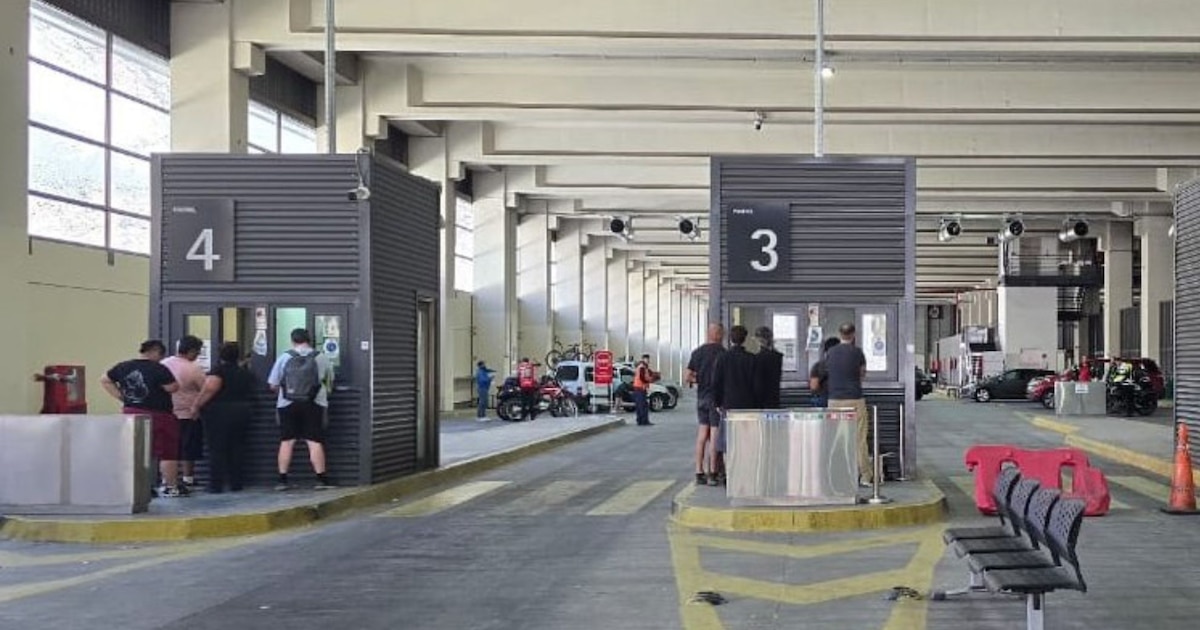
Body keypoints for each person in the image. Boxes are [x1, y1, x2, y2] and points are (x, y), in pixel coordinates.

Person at [100, 340, 184, 497]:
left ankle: (136, 487)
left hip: (131, 412)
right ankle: (171, 487)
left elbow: (105, 380)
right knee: (167, 452)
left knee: (136, 451)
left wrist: (122, 396)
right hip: (159, 414)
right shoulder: (158, 368)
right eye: (161, 355)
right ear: (156, 351)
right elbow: (172, 387)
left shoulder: (123, 366)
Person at [268, 328, 336, 491]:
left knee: (287, 441)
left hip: (287, 404)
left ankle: (282, 480)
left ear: (292, 340)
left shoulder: (284, 357)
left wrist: (286, 393)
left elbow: (272, 384)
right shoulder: (321, 357)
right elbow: (330, 382)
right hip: (314, 403)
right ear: (309, 339)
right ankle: (321, 480)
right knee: (314, 441)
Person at [190, 342, 256, 493]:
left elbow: (210, 389)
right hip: (242, 411)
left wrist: (196, 405)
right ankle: (236, 483)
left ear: (220, 355)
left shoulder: (218, 371)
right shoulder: (244, 372)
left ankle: (216, 484)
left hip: (219, 412)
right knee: (237, 447)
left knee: (217, 448)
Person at [824, 323, 873, 486]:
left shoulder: (830, 353)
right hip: (854, 399)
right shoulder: (858, 352)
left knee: (835, 438)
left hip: (834, 400)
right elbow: (862, 374)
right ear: (853, 334)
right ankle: (864, 476)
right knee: (859, 439)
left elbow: (827, 372)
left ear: (840, 334)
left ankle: (835, 475)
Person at [712, 325, 758, 486]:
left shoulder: (722, 358)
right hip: (748, 406)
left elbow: (716, 383)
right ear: (744, 339)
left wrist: (717, 403)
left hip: (728, 405)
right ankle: (745, 473)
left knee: (728, 442)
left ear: (730, 339)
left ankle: (729, 475)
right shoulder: (752, 359)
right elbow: (757, 386)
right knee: (746, 441)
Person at [161, 335, 207, 492]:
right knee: (189, 448)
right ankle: (188, 478)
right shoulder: (193, 368)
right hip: (189, 413)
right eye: (198, 352)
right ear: (192, 351)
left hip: (167, 413)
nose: (198, 355)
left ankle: (167, 479)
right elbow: (204, 389)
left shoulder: (164, 364)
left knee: (168, 448)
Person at [686, 323, 726, 486]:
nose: (723, 336)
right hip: (716, 399)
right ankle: (712, 472)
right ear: (718, 334)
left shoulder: (697, 352)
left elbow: (688, 376)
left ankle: (698, 471)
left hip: (701, 398)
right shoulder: (723, 353)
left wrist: (700, 380)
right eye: (722, 333)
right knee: (715, 436)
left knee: (702, 436)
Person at [752, 326, 783, 409]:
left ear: (759, 340)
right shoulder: (778, 357)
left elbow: (758, 383)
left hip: (761, 401)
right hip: (774, 398)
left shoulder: (757, 358)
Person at [808, 337, 842, 407]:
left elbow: (814, 387)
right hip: (843, 399)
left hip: (824, 399)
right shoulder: (846, 365)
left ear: (826, 351)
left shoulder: (819, 366)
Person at [632, 354, 655, 426]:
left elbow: (650, 374)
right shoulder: (642, 367)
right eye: (646, 359)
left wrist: (653, 376)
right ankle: (644, 421)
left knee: (640, 405)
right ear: (643, 359)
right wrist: (650, 380)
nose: (648, 360)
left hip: (639, 388)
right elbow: (643, 378)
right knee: (643, 405)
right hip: (640, 388)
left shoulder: (644, 367)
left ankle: (640, 420)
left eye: (648, 359)